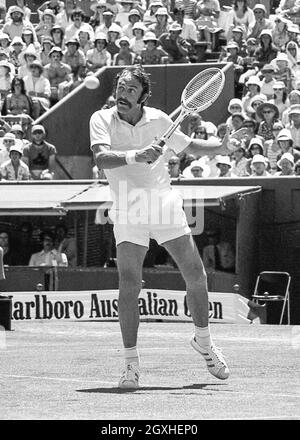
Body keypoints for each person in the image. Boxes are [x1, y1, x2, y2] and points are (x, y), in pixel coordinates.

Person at [90, 65, 230, 389]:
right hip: (127, 206)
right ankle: (130, 365)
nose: (122, 94)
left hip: (163, 203)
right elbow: (101, 158)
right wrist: (136, 155)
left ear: (142, 96)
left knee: (196, 275)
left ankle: (204, 342)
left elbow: (188, 146)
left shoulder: (160, 120)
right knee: (130, 283)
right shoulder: (100, 119)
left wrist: (219, 149)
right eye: (120, 88)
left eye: (130, 90)